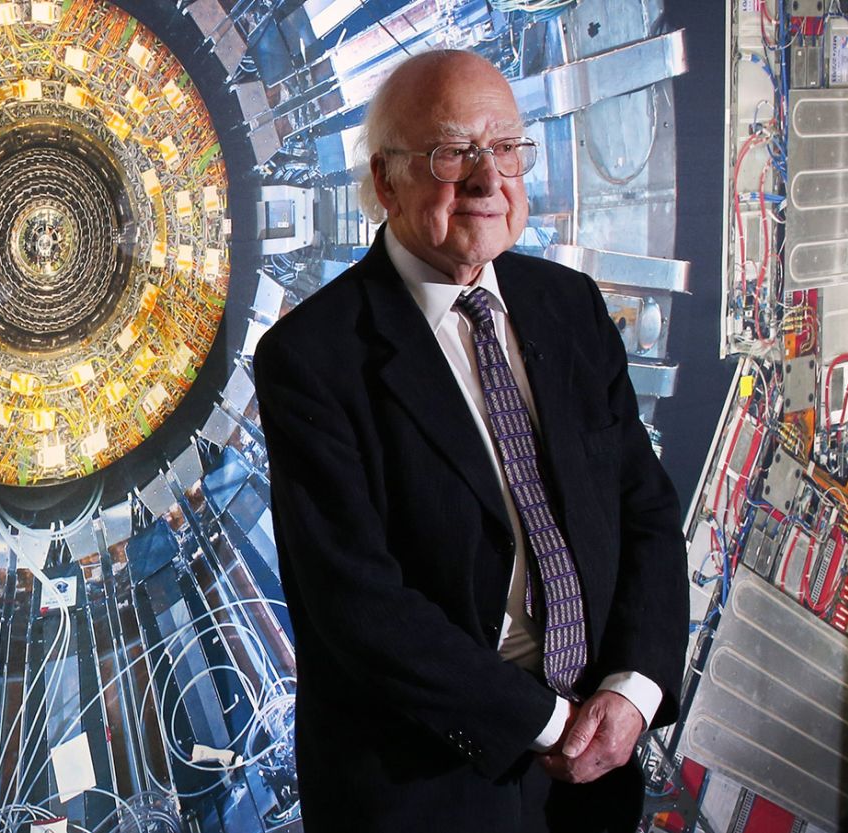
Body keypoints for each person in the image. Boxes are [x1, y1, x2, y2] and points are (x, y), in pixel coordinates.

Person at [252, 49, 688, 832]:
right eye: (454, 153)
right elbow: (361, 607)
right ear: (385, 181)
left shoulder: (571, 307)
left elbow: (645, 510)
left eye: (508, 148)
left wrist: (632, 690)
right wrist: (548, 722)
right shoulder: (312, 358)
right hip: (422, 785)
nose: (490, 180)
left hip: (595, 769)